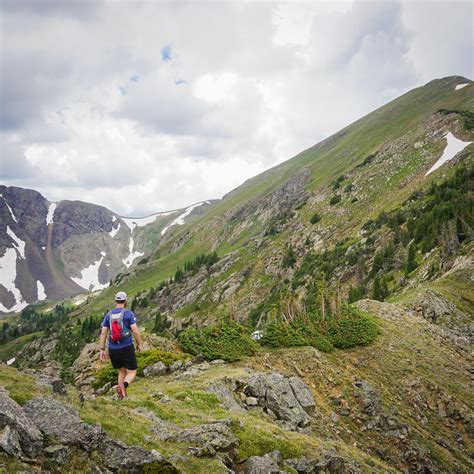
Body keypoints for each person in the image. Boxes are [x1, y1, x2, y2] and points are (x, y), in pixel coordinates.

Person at [99, 291, 143, 399]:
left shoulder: (108, 315)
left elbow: (103, 332)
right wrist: (139, 344)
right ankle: (124, 387)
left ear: (116, 300)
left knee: (122, 371)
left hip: (113, 349)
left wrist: (102, 349)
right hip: (126, 347)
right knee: (132, 372)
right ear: (126, 301)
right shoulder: (128, 314)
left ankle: (121, 395)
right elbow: (136, 331)